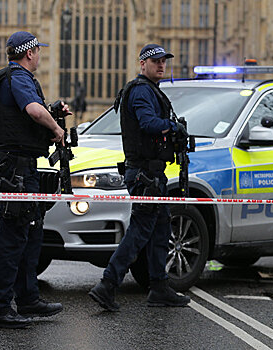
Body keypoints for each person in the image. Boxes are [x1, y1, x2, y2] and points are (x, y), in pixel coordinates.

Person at [88, 44, 190, 311]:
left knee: (160, 229)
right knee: (140, 230)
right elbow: (147, 123)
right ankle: (107, 285)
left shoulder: (150, 90)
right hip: (145, 174)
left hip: (152, 173)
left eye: (163, 61)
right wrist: (173, 127)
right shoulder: (142, 91)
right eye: (155, 61)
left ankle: (159, 287)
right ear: (142, 64)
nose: (161, 65)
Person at [0, 31, 70, 328]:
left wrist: (53, 111)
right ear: (29, 52)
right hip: (16, 170)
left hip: (17, 166)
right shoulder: (18, 77)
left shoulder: (2, 78)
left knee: (30, 232)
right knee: (12, 237)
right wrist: (57, 129)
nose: (40, 55)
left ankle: (28, 297)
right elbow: (33, 111)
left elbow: (23, 116)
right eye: (38, 50)